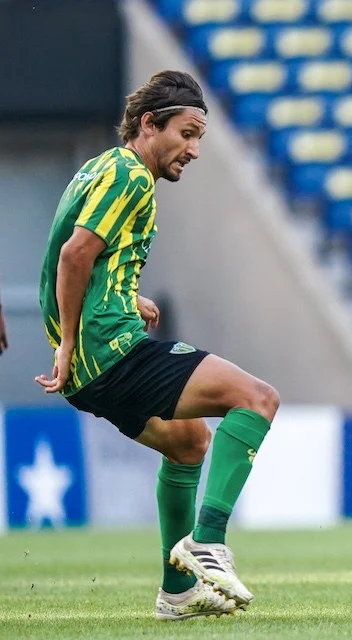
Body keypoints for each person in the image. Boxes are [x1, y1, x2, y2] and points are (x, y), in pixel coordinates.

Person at [36, 70, 280, 619]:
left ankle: (177, 593)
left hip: (91, 363)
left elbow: (74, 257)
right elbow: (74, 256)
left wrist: (127, 296)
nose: (194, 150)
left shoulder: (97, 168)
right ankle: (207, 543)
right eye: (187, 134)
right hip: (107, 351)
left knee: (190, 444)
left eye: (200, 138)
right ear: (149, 124)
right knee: (257, 398)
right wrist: (71, 340)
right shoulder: (131, 175)